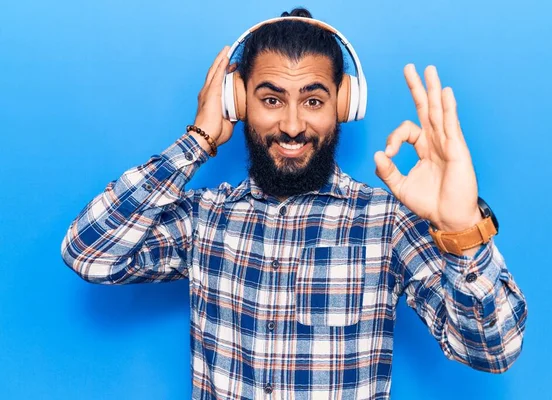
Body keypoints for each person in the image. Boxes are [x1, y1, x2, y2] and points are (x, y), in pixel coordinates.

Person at [61, 7, 528, 400]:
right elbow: (88, 253)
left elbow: (493, 350)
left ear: (344, 104)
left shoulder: (385, 223)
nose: (290, 124)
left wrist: (464, 229)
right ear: (237, 102)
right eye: (270, 98)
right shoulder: (205, 218)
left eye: (313, 100)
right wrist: (197, 141)